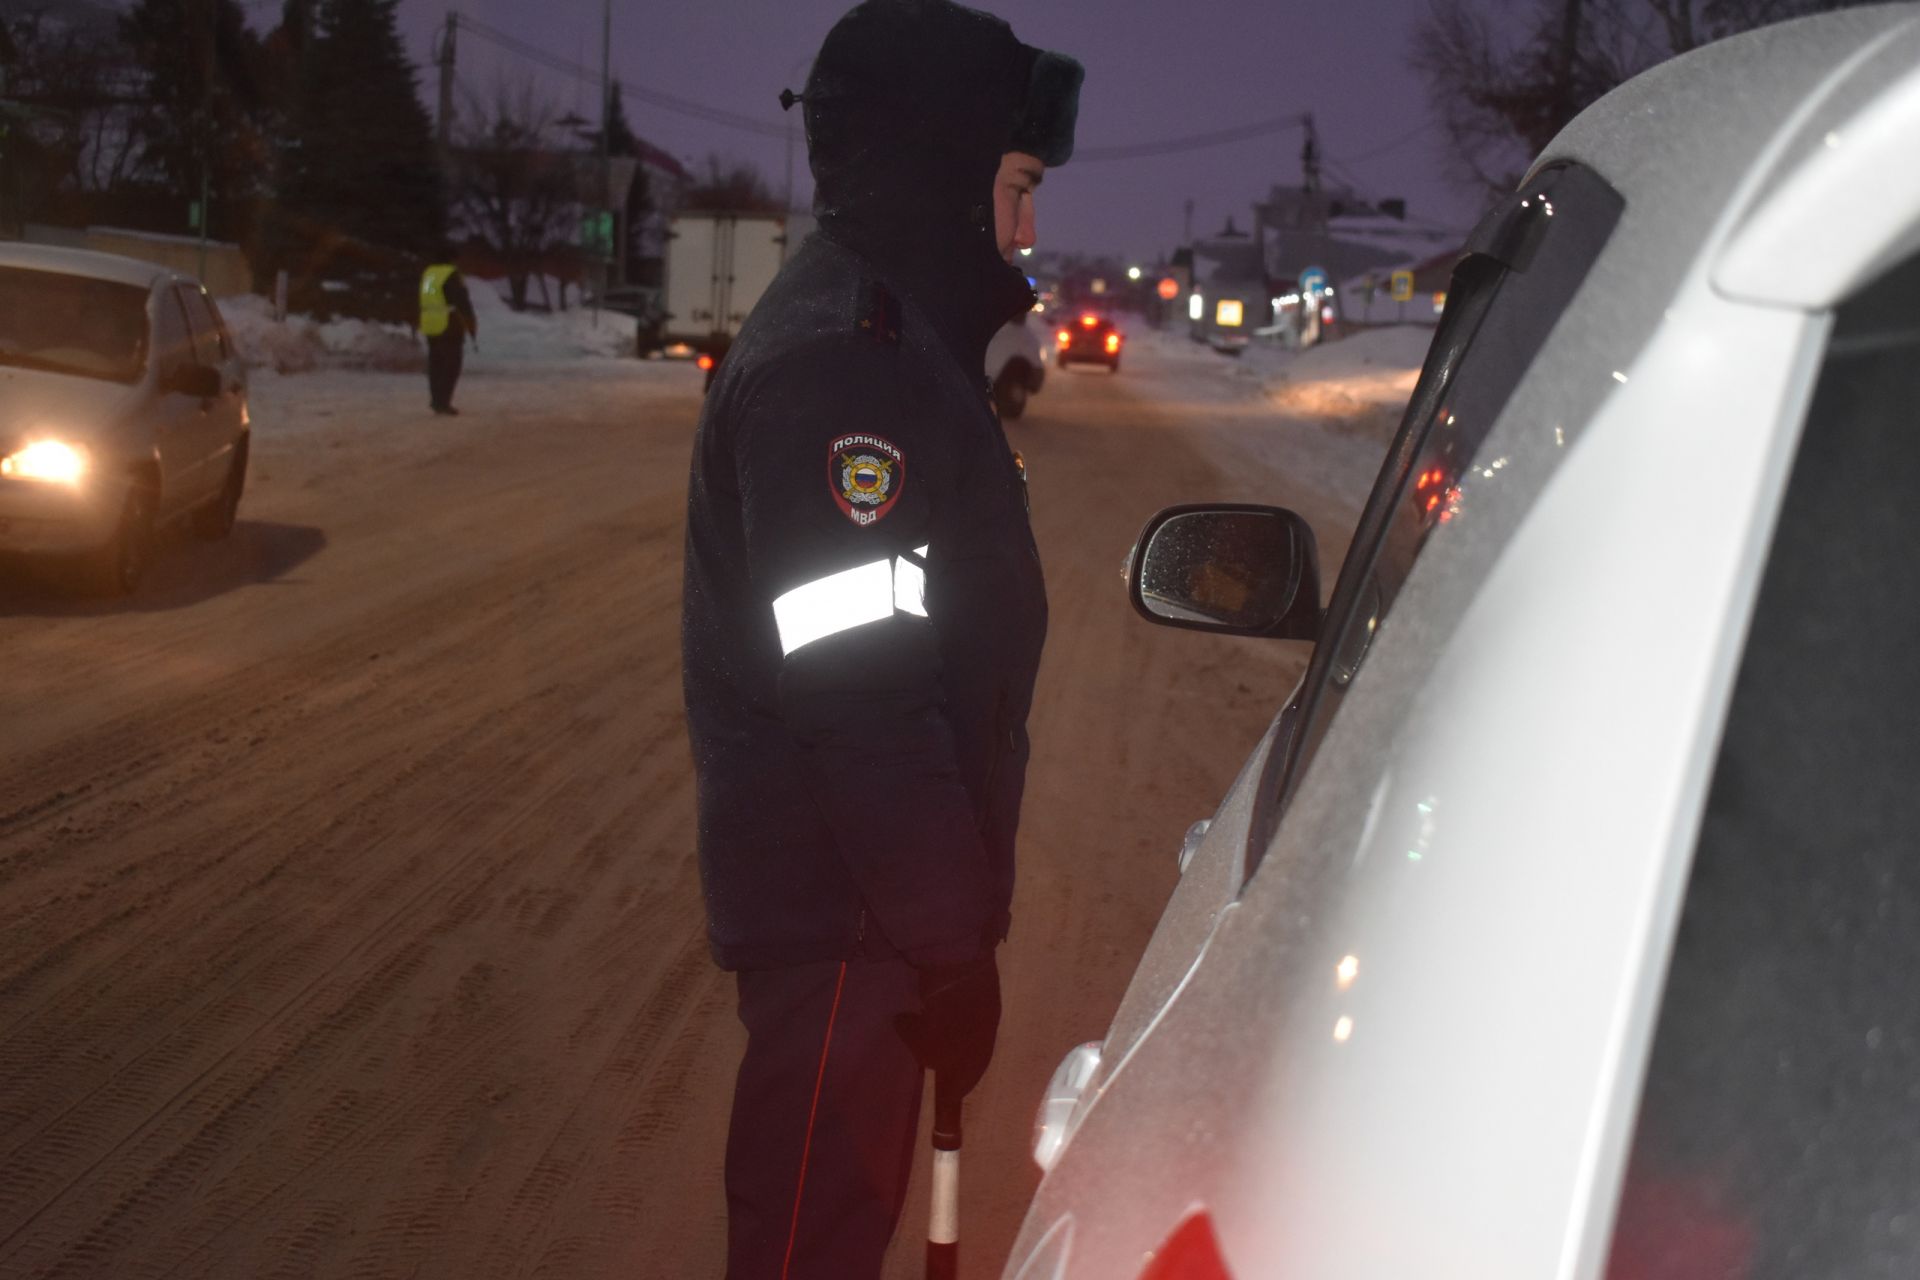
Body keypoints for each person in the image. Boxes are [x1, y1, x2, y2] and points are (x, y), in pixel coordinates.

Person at [678, 2, 1082, 1275]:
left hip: (868, 918)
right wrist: (950, 938)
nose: (1026, 228)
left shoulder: (890, 345)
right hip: (850, 922)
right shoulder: (847, 368)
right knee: (811, 1247)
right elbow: (858, 690)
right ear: (941, 168)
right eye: (1015, 188)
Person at [418, 249, 477, 415]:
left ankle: (436, 400)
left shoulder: (429, 273)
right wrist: (470, 320)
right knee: (451, 364)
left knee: (435, 362)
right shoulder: (450, 274)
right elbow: (460, 299)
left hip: (429, 321)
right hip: (448, 322)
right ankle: (443, 402)